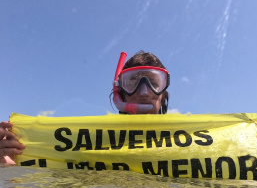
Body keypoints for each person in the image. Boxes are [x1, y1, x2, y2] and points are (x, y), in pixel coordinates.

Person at [0, 50, 170, 165]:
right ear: (120, 92)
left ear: (163, 95)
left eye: (154, 83)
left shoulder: (188, 142)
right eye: (132, 82)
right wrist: (8, 166)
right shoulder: (91, 146)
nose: (144, 92)